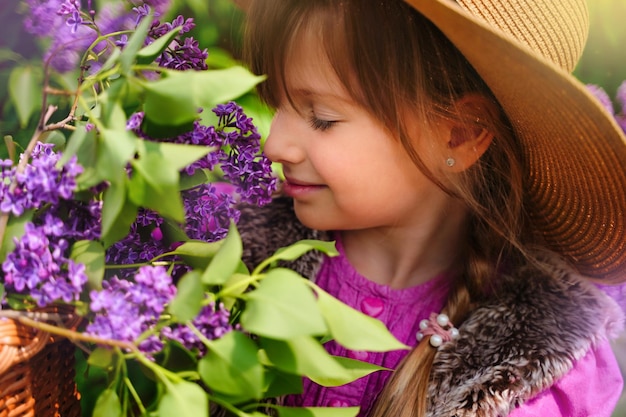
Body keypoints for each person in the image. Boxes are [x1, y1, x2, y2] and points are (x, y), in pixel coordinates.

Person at [233, 0, 626, 416]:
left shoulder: (529, 367)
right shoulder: (239, 259)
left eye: (322, 118)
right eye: (276, 103)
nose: (273, 145)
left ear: (460, 135)